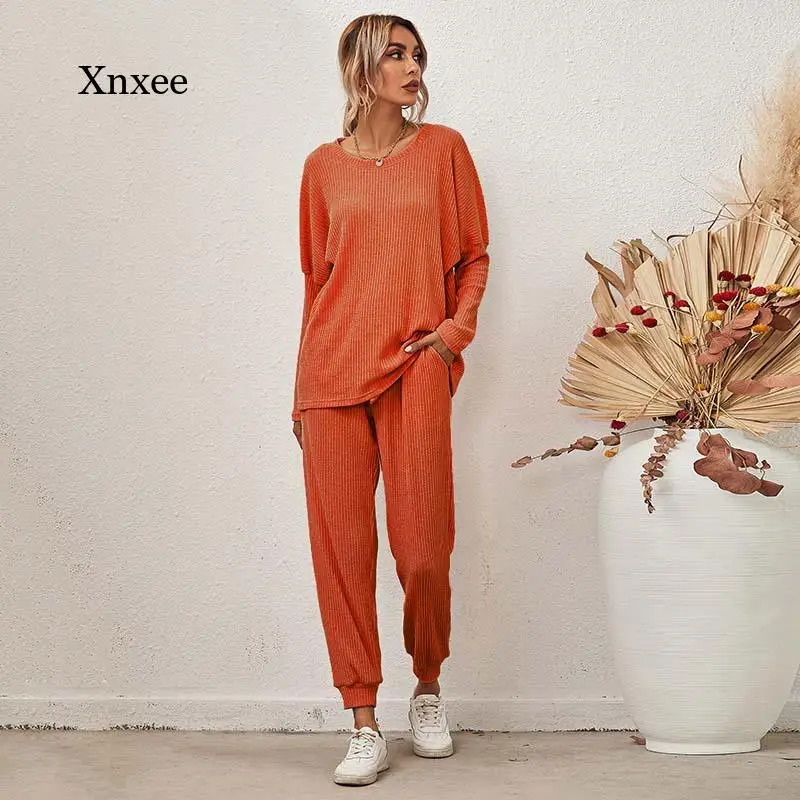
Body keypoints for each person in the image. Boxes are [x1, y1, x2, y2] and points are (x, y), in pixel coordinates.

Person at [291, 13, 490, 786]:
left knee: (422, 549)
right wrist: (299, 391)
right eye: (397, 54)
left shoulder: (443, 150)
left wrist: (451, 334)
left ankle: (428, 688)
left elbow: (473, 256)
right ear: (362, 66)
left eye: (417, 55)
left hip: (415, 368)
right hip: (331, 377)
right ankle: (363, 719)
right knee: (341, 554)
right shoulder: (321, 168)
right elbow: (315, 283)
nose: (413, 67)